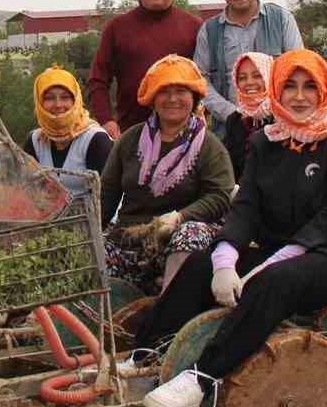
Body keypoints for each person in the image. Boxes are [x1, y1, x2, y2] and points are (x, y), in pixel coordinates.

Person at [133, 49, 327, 407]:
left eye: (309, 87)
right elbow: (247, 208)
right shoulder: (266, 142)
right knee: (201, 262)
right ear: (278, 90)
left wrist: (268, 263)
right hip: (284, 254)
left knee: (275, 281)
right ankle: (145, 355)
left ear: (323, 91)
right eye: (290, 86)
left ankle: (201, 378)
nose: (300, 96)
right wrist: (225, 258)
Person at [99, 55, 233, 295]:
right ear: (152, 99)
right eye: (164, 91)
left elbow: (220, 196)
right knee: (93, 253)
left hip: (180, 238)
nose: (172, 99)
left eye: (181, 91)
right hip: (131, 239)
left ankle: (168, 309)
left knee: (189, 232)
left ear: (194, 98)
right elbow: (106, 195)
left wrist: (180, 217)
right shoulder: (129, 140)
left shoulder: (210, 146)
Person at [88, 0, 203, 139]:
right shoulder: (117, 28)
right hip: (131, 133)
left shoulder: (194, 27)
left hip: (185, 134)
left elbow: (206, 78)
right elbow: (98, 80)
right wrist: (106, 120)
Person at [193, 0, 302, 129]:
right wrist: (232, 114)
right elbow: (200, 79)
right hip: (229, 131)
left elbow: (298, 69)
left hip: (280, 125)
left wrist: (269, 110)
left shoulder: (281, 19)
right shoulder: (209, 30)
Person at [26, 67, 113, 187]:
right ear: (39, 103)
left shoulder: (96, 139)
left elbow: (109, 193)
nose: (58, 105)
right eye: (49, 98)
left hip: (92, 205)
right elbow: (26, 187)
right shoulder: (35, 140)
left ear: (76, 100)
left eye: (65, 97)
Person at [220, 51, 273, 180]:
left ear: (270, 77)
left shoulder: (283, 119)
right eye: (242, 78)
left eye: (257, 75)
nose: (249, 82)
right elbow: (227, 168)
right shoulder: (235, 120)